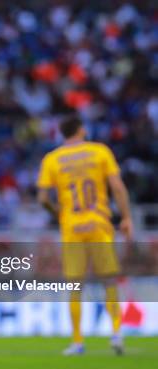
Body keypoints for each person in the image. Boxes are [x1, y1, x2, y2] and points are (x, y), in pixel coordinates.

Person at [37, 116, 133, 356]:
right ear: (82, 130)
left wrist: (59, 213)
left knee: (74, 285)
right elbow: (118, 187)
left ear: (62, 133)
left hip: (72, 227)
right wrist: (126, 218)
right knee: (109, 280)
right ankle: (116, 334)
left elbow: (42, 199)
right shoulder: (100, 151)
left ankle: (78, 342)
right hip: (99, 223)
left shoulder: (52, 159)